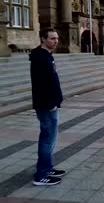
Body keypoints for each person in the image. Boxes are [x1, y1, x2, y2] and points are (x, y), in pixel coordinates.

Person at [30, 28, 65, 186]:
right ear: (43, 39)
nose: (55, 41)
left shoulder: (46, 56)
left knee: (50, 138)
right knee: (47, 138)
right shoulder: (41, 59)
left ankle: (47, 167)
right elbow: (41, 85)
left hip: (49, 104)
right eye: (52, 38)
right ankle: (41, 175)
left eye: (56, 38)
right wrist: (51, 104)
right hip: (46, 105)